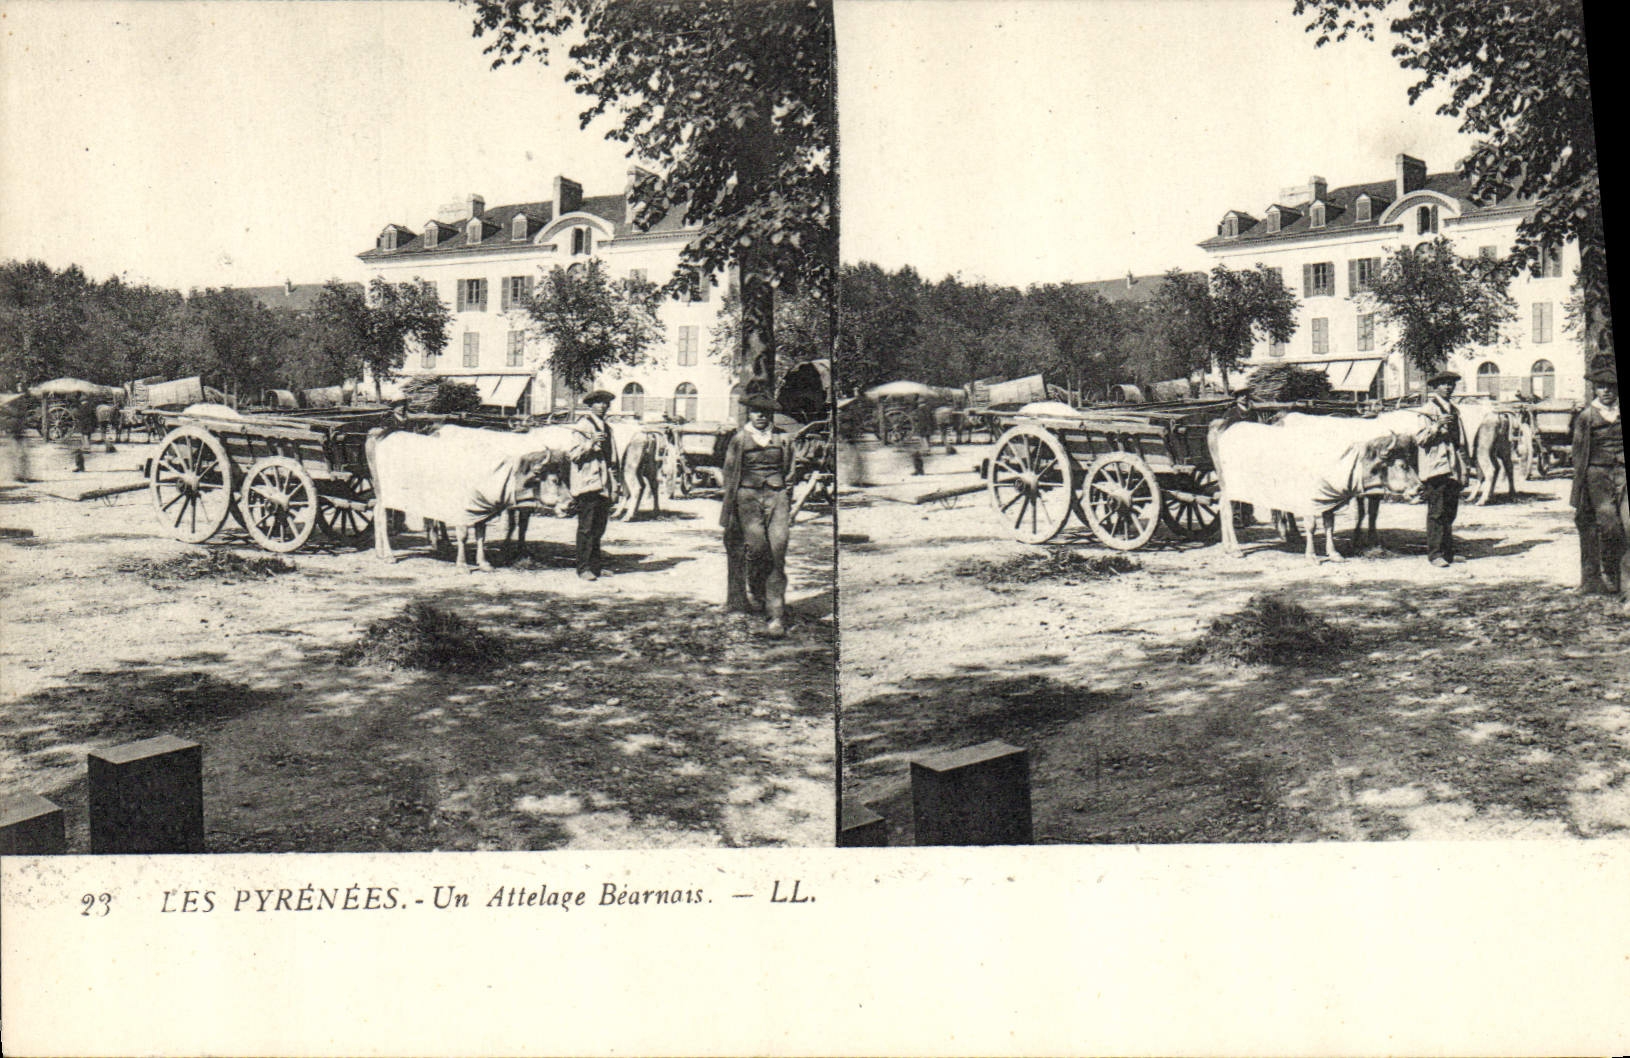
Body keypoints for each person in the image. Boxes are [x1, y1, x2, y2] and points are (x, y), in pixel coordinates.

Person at [720, 393, 798, 637]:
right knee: (756, 549)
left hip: (777, 498)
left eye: (765, 412)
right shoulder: (739, 440)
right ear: (749, 414)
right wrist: (731, 507)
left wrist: (783, 494)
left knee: (778, 552)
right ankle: (756, 592)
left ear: (771, 415)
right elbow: (730, 475)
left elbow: (791, 470)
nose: (761, 416)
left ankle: (776, 616)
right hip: (748, 498)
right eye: (756, 411)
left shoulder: (783, 439)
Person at [1571, 360, 1625, 596]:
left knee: (1627, 525)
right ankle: (1607, 574)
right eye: (1602, 386)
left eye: (1611, 386)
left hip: (1621, 474)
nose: (1607, 391)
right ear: (1594, 388)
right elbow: (1579, 454)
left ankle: (1623, 579)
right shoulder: (1587, 416)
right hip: (1597, 475)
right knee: (1608, 525)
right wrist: (1580, 488)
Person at [1414, 371, 1470, 567]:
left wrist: (1465, 467)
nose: (1448, 387)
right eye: (1444, 384)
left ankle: (1448, 553)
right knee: (1436, 511)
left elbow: (1462, 441)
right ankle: (1435, 554)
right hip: (1436, 467)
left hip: (1453, 467)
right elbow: (1420, 439)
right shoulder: (1427, 411)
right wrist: (1436, 426)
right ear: (1435, 387)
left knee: (1450, 511)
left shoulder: (1454, 410)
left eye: (1451, 384)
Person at [568, 390, 620, 581]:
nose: (603, 406)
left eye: (606, 403)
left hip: (604, 484)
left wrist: (616, 482)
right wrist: (590, 444)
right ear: (590, 405)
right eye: (598, 403)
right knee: (586, 527)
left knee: (599, 527)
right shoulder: (583, 426)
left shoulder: (607, 427)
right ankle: (583, 568)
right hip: (588, 483)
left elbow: (612, 458)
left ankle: (596, 566)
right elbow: (573, 455)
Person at [73, 395, 98, 472]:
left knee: (84, 435)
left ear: (82, 401)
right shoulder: (91, 406)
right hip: (90, 423)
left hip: (84, 423)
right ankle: (87, 446)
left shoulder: (81, 407)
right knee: (88, 435)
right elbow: (94, 416)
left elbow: (79, 415)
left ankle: (86, 447)